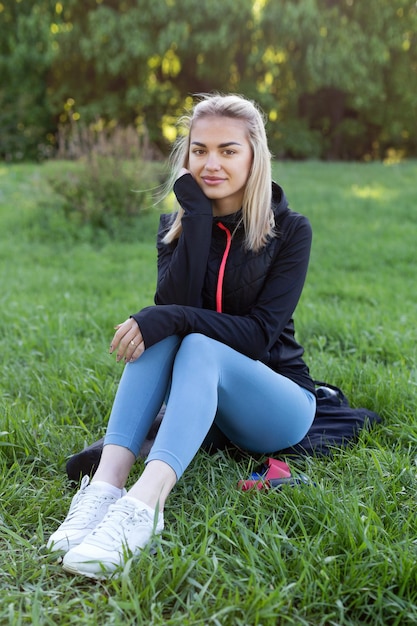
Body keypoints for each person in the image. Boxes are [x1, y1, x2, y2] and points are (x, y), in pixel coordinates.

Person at [47, 93, 317, 579]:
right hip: (205, 401)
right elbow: (173, 307)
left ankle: (144, 506)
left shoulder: (290, 231)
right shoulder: (175, 226)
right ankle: (106, 489)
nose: (211, 163)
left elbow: (257, 337)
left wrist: (169, 319)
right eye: (199, 150)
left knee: (185, 333)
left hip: (279, 404)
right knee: (167, 330)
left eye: (228, 150)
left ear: (255, 155)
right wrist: (194, 218)